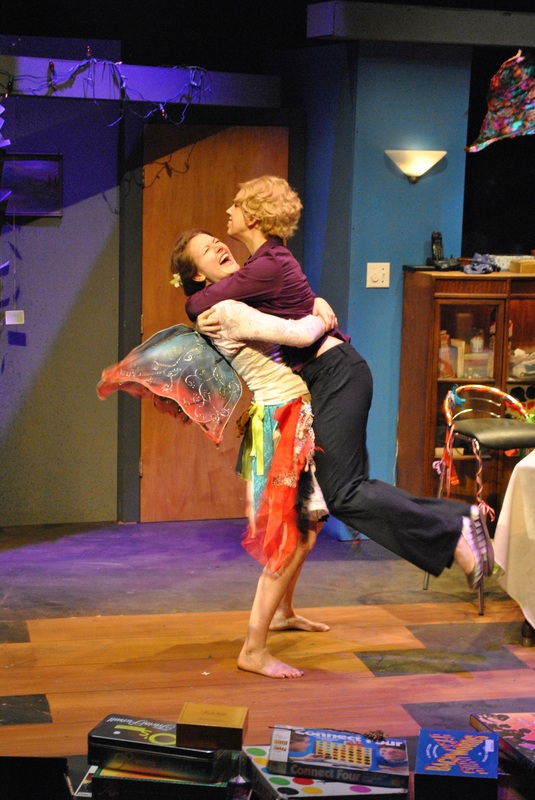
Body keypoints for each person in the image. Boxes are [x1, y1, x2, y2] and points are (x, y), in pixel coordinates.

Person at [185, 175, 494, 594]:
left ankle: (455, 528)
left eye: (236, 204)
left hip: (336, 373)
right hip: (331, 374)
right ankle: (456, 523)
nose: (229, 211)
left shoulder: (266, 264)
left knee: (345, 493)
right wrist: (315, 303)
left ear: (253, 216)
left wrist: (197, 309)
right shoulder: (267, 264)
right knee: (347, 492)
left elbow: (202, 300)